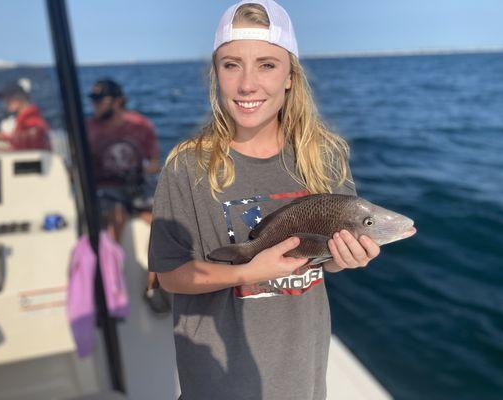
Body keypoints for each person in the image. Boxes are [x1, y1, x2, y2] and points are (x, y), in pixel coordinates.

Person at [148, 1, 385, 399]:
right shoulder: (186, 166)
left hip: (303, 379)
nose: (247, 84)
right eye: (231, 64)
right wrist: (248, 272)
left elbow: (324, 261)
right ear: (215, 74)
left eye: (267, 64)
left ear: (291, 76)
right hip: (217, 384)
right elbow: (171, 275)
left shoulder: (324, 156)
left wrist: (347, 259)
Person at [86, 79, 170, 313]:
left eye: (99, 100)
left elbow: (153, 162)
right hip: (105, 188)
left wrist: (147, 168)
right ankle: (111, 288)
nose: (94, 106)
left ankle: (153, 286)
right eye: (92, 101)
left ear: (117, 101)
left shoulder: (141, 125)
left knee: (162, 225)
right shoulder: (88, 128)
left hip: (137, 186)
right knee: (115, 218)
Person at [0, 79, 51, 151]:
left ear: (21, 97)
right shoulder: (26, 117)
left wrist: (2, 141)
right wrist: (3, 138)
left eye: (9, 98)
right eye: (5, 99)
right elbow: (23, 143)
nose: (5, 102)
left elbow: (30, 149)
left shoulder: (31, 121)